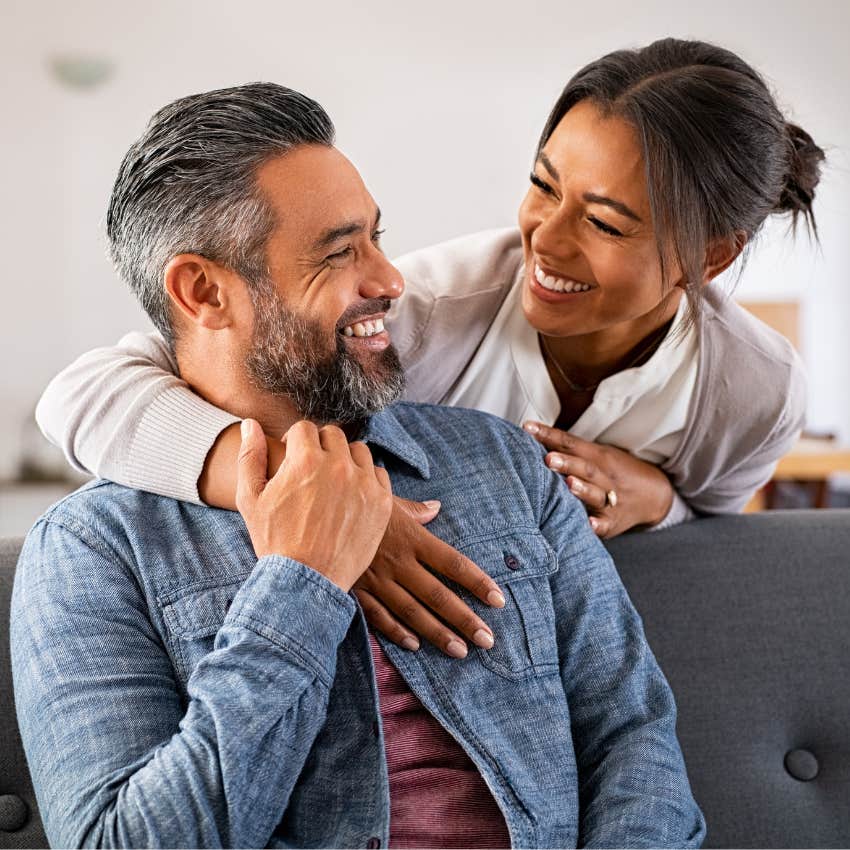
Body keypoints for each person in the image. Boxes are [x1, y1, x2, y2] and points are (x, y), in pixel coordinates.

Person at [12, 82, 704, 849]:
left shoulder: (505, 463)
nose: (390, 280)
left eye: (377, 237)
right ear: (203, 291)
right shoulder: (93, 550)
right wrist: (299, 585)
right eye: (341, 252)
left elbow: (633, 736)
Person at [35, 38, 822, 655]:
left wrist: (662, 502)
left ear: (711, 256)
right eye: (542, 185)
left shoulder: (755, 391)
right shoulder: (427, 311)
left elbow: (717, 534)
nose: (544, 239)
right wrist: (323, 503)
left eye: (605, 222)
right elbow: (82, 396)